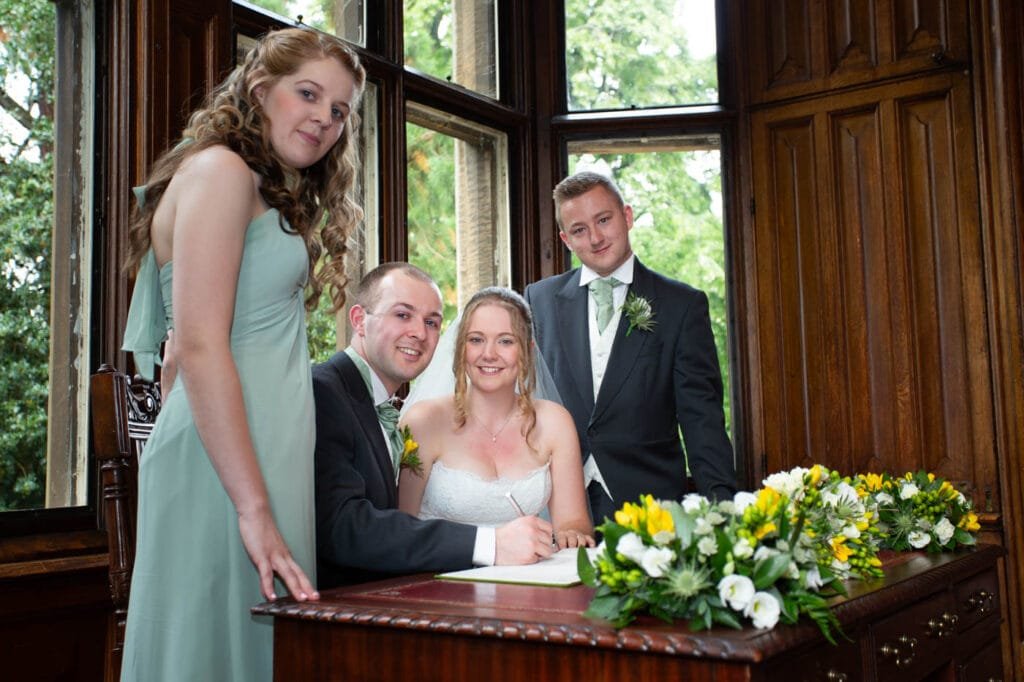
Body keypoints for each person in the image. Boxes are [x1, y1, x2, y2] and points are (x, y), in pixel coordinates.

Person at [119, 28, 365, 681]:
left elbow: (180, 353)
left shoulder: (254, 184)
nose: (324, 119)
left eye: (339, 110)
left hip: (254, 460)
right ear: (261, 90)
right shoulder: (221, 170)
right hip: (230, 472)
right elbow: (199, 346)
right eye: (308, 94)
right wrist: (253, 510)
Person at [314, 264, 559, 588]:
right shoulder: (325, 391)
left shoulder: (376, 403)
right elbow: (343, 529)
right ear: (359, 320)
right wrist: (492, 544)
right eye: (403, 315)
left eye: (431, 322)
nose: (419, 332)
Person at [524, 171, 737, 526]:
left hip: (651, 509)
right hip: (556, 508)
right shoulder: (539, 299)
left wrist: (723, 513)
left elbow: (702, 421)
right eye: (579, 230)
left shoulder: (681, 305)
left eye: (603, 220)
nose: (594, 238)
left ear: (627, 216)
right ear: (565, 239)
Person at [397, 287, 595, 549]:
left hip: (526, 578)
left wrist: (572, 535)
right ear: (460, 348)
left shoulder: (554, 422)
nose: (488, 353)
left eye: (505, 341)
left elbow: (574, 523)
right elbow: (400, 529)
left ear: (527, 349)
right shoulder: (423, 422)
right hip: (438, 575)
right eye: (476, 340)